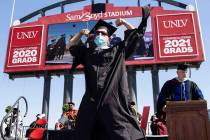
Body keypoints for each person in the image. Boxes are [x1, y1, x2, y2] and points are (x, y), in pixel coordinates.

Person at [68, 7, 150, 140]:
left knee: (122, 133)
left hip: (113, 102)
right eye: (97, 33)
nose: (100, 36)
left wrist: (123, 22)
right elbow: (70, 46)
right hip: (92, 103)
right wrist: (81, 33)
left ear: (109, 38)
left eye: (103, 34)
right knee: (85, 132)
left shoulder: (118, 51)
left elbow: (135, 35)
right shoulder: (88, 54)